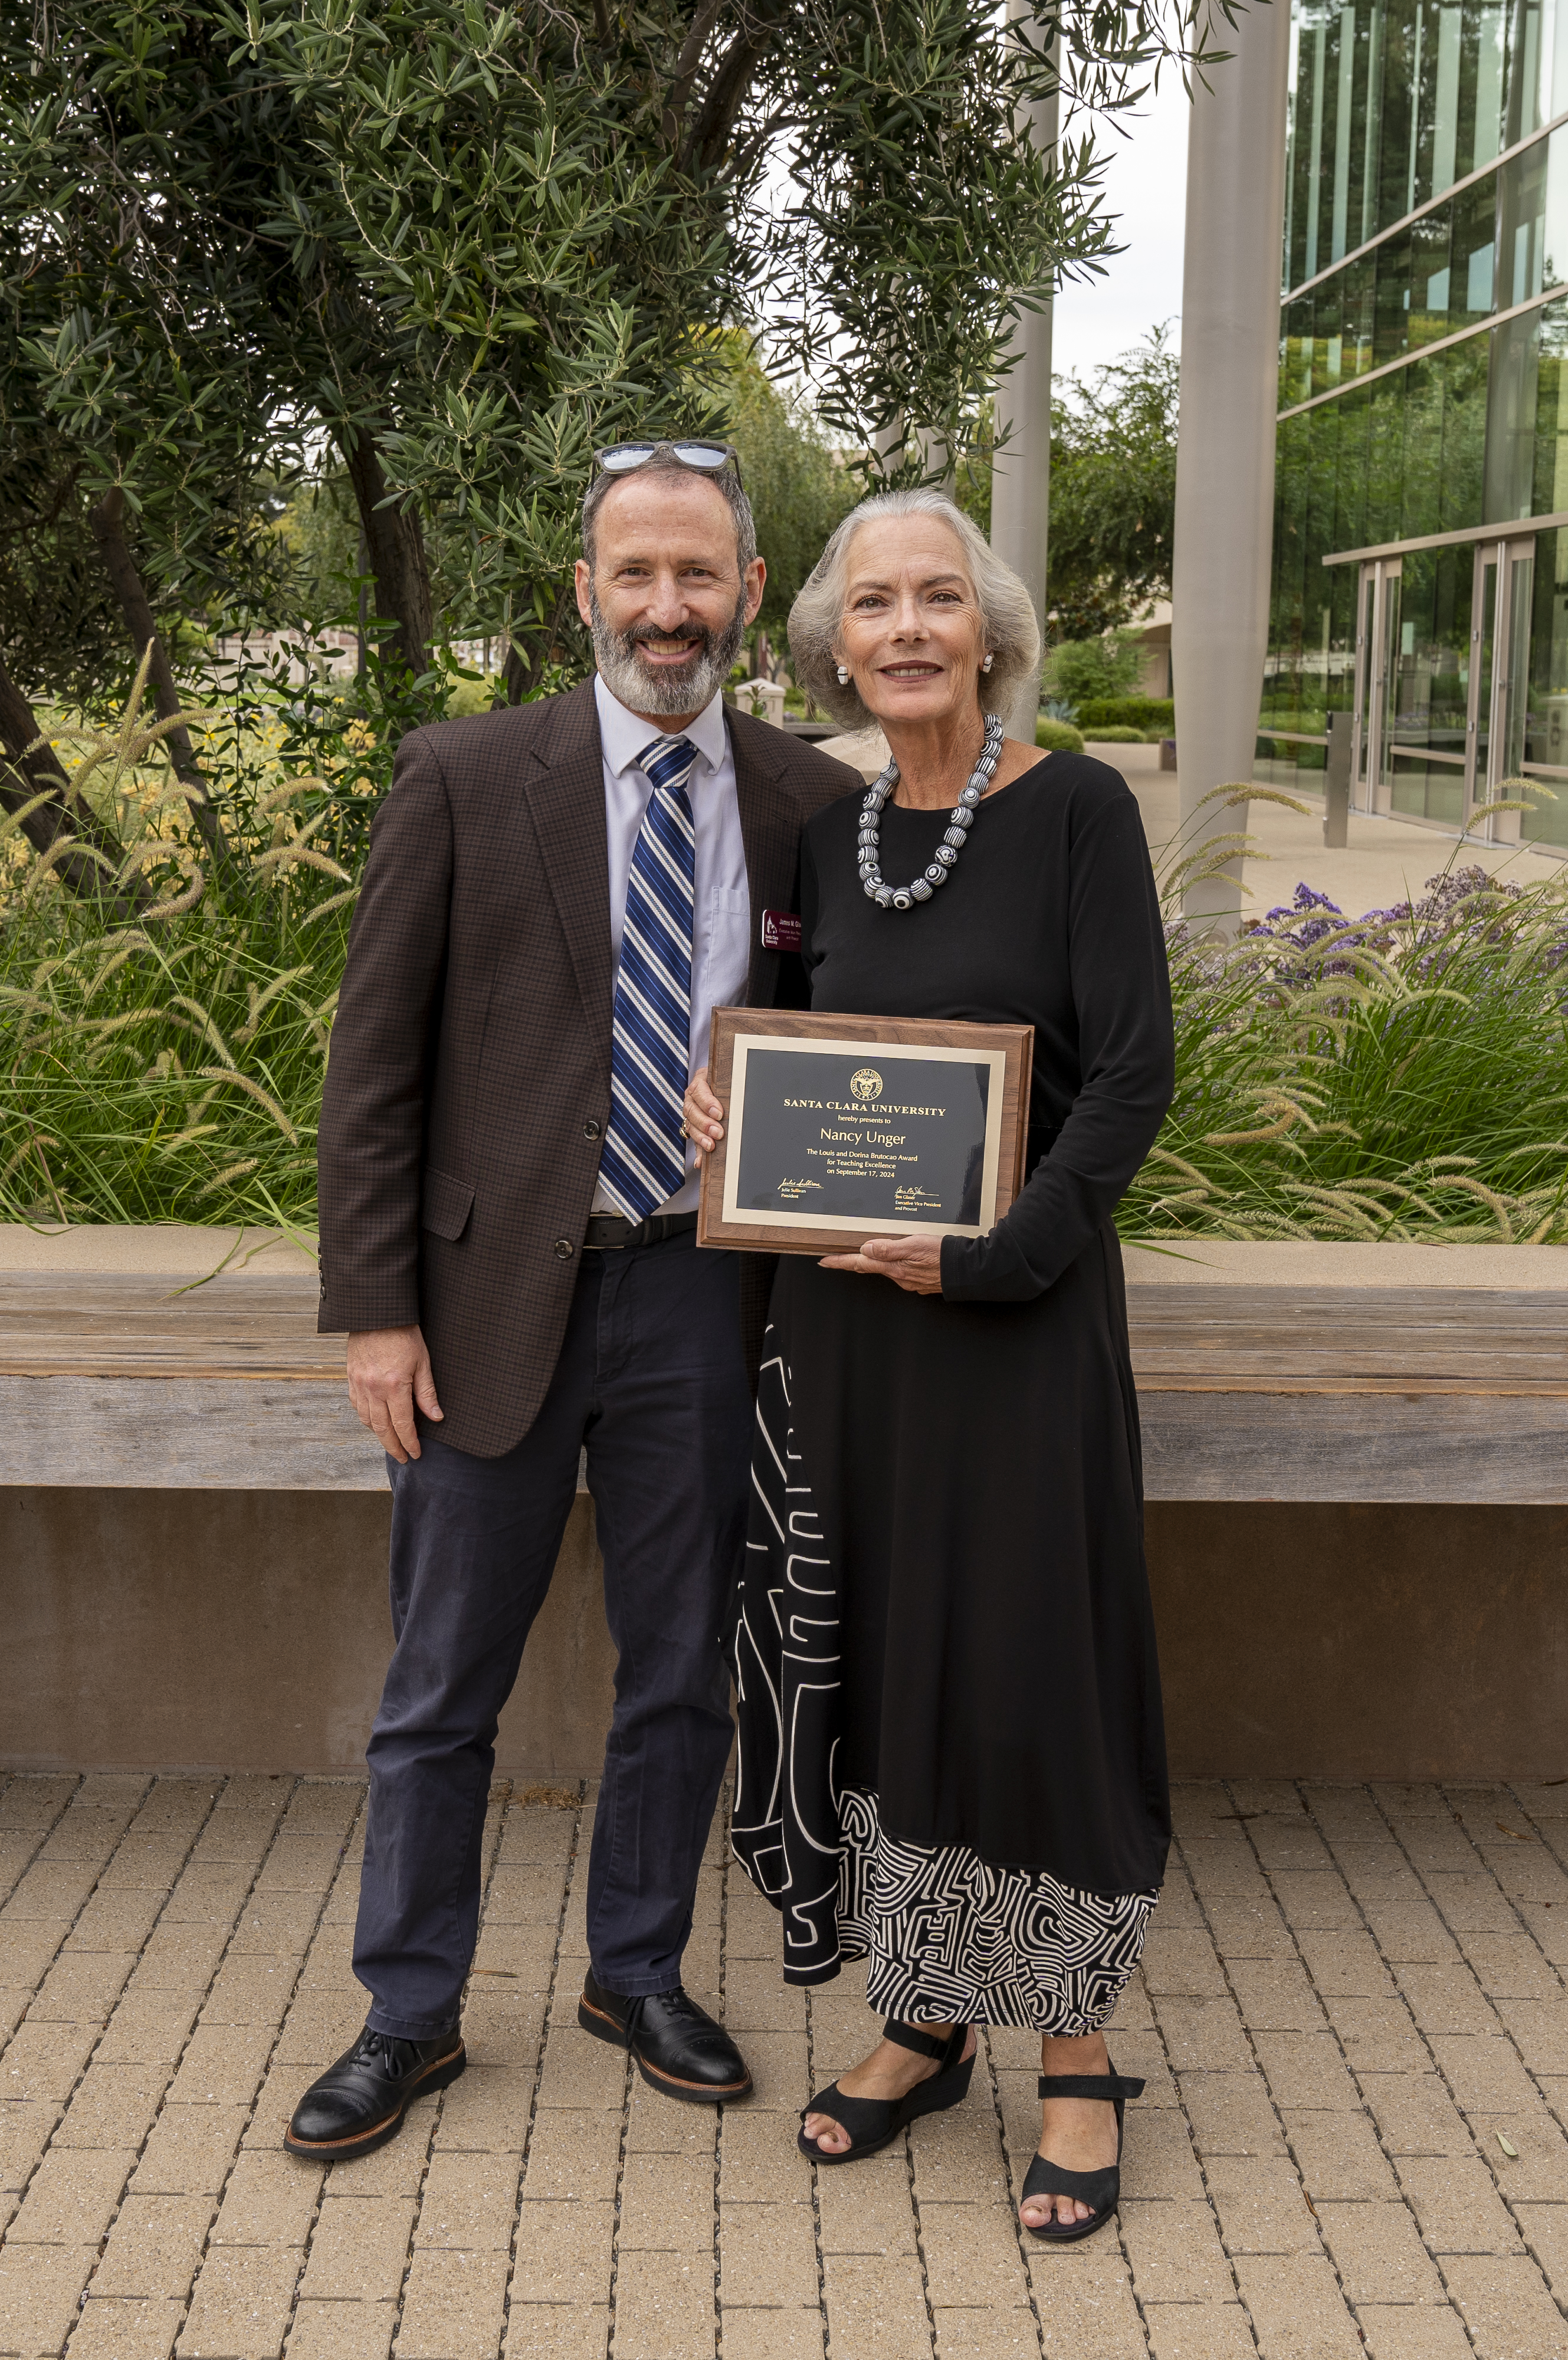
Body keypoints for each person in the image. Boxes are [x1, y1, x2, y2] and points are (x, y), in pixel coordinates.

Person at [294, 441, 864, 2162]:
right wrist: (374, 1311)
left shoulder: (808, 803)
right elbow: (373, 1069)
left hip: (706, 1299)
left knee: (683, 1669)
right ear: (585, 591)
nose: (668, 609)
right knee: (439, 1682)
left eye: (700, 577)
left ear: (751, 595)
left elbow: (849, 1055)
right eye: (637, 575)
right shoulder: (465, 777)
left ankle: (638, 1969)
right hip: (482, 1312)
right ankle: (409, 2010)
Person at [685, 487, 1176, 2241]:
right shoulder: (832, 836)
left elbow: (1128, 1079)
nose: (905, 631)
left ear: (992, 629)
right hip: (847, 1332)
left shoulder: (1077, 812)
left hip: (1015, 1328)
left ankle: (1076, 2054)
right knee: (887, 1670)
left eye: (938, 600)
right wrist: (732, 1114)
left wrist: (997, 1256)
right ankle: (924, 2017)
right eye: (873, 604)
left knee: (1028, 1672)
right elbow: (801, 1058)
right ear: (832, 641)